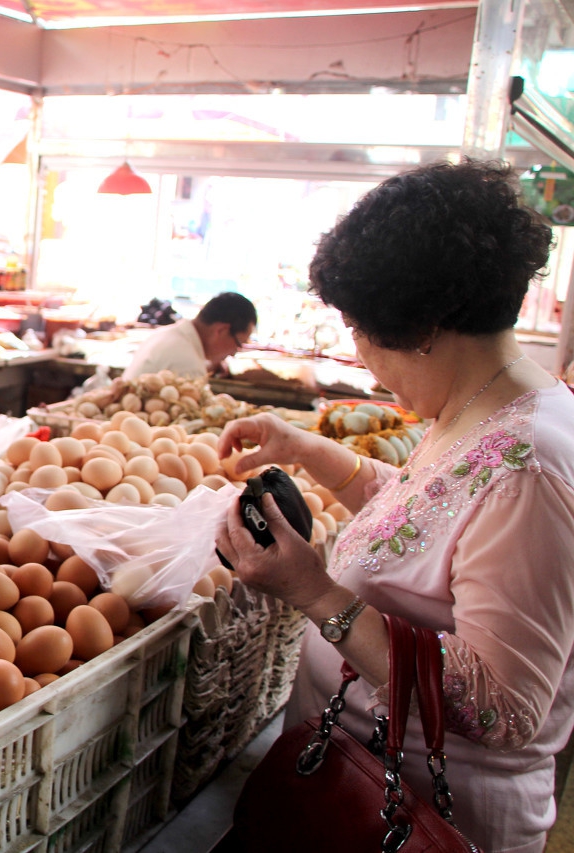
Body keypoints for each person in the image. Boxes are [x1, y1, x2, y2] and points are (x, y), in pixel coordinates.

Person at [215, 159, 574, 852]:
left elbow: (503, 706)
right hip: (361, 783)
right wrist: (307, 448)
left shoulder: (532, 469)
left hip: (429, 820)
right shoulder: (485, 408)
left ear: (423, 325)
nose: (360, 353)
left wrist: (316, 592)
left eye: (357, 329)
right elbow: (424, 516)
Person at [122, 291, 256, 380]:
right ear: (221, 330)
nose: (233, 353)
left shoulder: (168, 334)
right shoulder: (189, 365)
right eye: (238, 343)